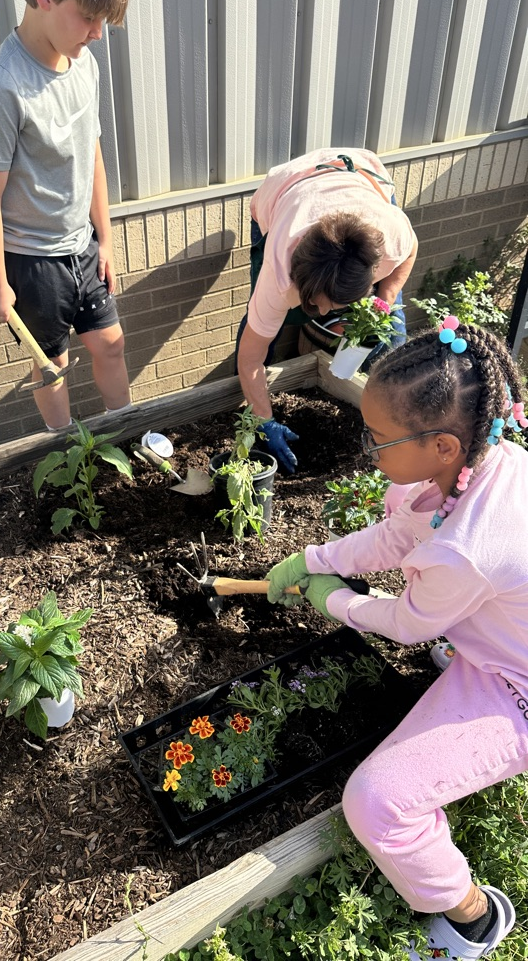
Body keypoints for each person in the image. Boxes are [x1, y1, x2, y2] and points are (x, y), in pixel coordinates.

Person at [266, 319, 528, 959]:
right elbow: (395, 537)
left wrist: (341, 603)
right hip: (494, 638)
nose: (370, 450)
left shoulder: (469, 547)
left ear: (441, 445)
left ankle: (472, 916)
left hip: (516, 681)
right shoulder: (469, 461)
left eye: (379, 440)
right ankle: (468, 653)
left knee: (378, 802)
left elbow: (411, 624)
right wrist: (315, 557)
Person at [0, 0, 132, 433]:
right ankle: (64, 453)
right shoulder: (2, 87)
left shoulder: (85, 65)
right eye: (89, 18)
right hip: (33, 260)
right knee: (51, 366)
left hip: (82, 245)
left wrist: (106, 238)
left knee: (111, 344)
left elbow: (92, 152)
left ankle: (126, 432)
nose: (98, 34)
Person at [236, 147, 418, 474]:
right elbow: (250, 355)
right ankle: (250, 403)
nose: (322, 314)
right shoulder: (278, 276)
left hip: (363, 180)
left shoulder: (390, 237)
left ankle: (396, 424)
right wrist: (263, 420)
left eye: (340, 307)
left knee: (391, 332)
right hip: (284, 191)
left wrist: (385, 298)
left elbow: (410, 250)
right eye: (320, 304)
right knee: (262, 329)